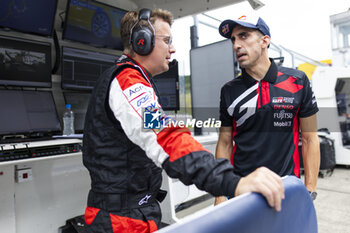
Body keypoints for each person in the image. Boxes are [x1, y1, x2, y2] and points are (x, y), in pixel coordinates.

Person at [82, 9, 284, 233]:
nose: (173, 48)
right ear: (143, 41)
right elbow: (166, 138)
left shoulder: (132, 78)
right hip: (121, 222)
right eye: (167, 40)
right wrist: (234, 182)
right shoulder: (128, 81)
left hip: (133, 214)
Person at [215, 14, 320, 205]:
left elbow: (310, 138)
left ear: (265, 41)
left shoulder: (298, 81)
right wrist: (221, 194)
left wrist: (310, 189)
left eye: (244, 36)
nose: (236, 45)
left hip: (286, 190)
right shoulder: (229, 90)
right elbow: (224, 143)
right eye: (233, 39)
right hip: (241, 193)